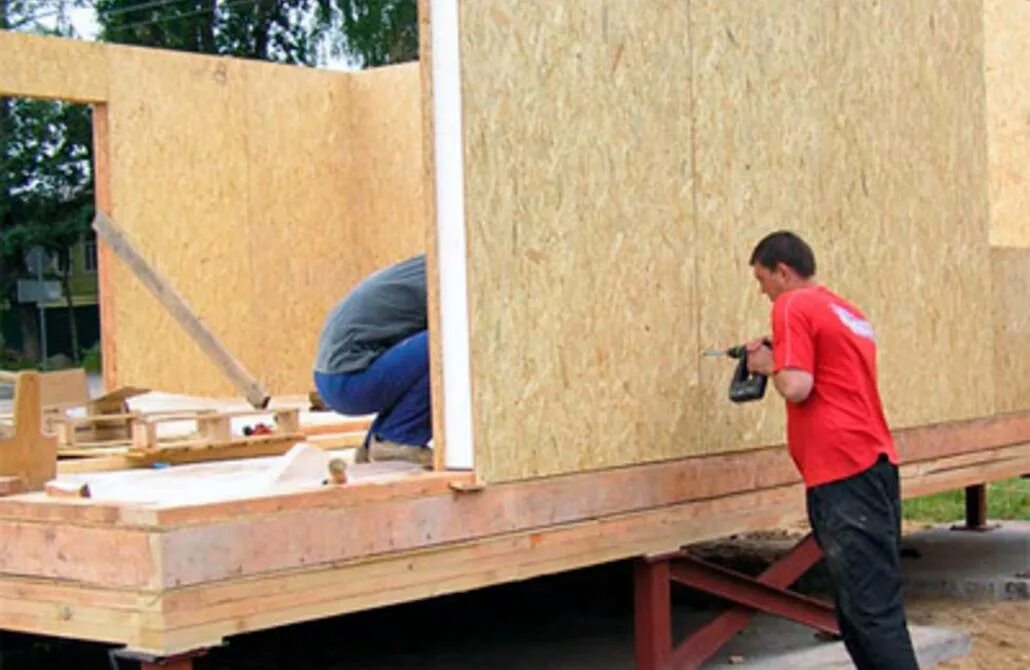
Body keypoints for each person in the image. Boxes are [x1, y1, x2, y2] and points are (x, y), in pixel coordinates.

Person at [744, 231, 918, 670]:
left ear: (783, 271)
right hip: (871, 465)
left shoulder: (791, 305)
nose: (762, 290)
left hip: (842, 473)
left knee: (871, 612)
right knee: (862, 610)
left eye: (762, 279)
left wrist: (769, 364)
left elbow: (798, 386)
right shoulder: (847, 310)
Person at [313, 254, 431, 467]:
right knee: (451, 345)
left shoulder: (437, 263)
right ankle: (398, 441)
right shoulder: (456, 275)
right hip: (349, 380)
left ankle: (377, 444)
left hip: (334, 377)